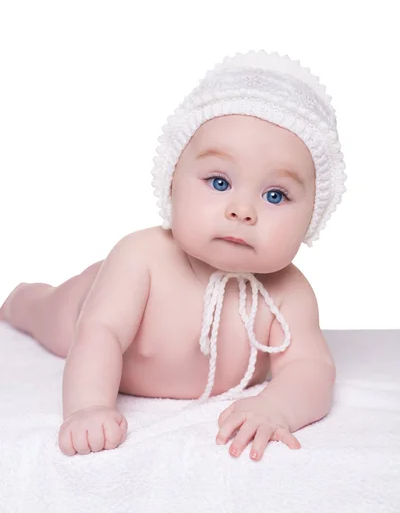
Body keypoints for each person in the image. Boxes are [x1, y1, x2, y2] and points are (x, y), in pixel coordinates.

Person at [0, 50, 347, 461]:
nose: (243, 210)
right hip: (84, 304)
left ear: (313, 215)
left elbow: (311, 367)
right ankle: (20, 299)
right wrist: (88, 407)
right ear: (171, 183)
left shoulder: (290, 293)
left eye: (275, 195)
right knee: (49, 315)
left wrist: (277, 407)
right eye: (219, 182)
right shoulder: (141, 256)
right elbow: (101, 333)